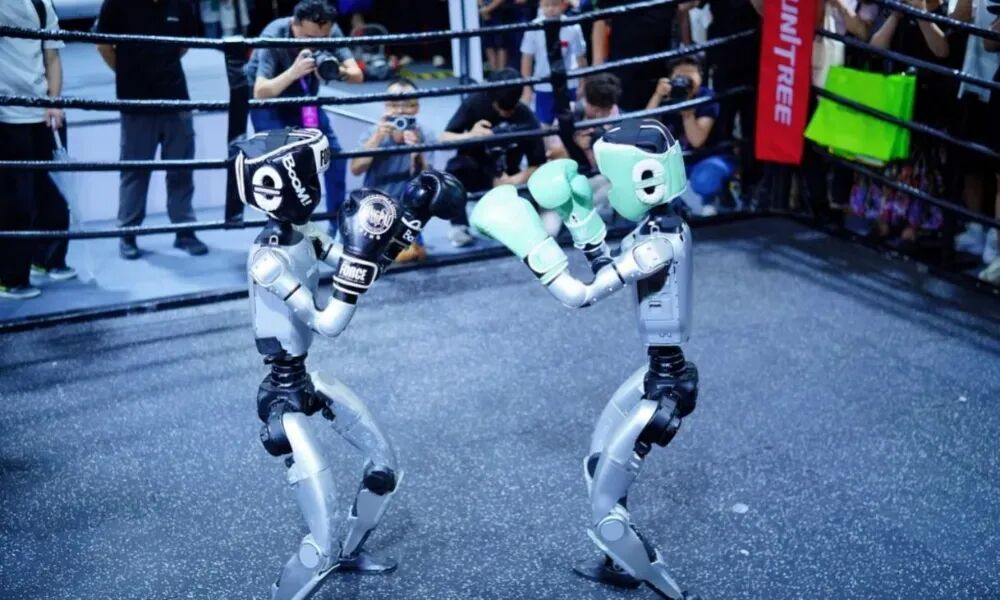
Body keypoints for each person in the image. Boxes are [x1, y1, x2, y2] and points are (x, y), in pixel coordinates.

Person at [95, 0, 209, 260]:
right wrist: (128, 71)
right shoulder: (116, 3)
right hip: (136, 102)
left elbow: (184, 44)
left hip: (176, 97)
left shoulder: (181, 4)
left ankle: (185, 232)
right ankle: (128, 233)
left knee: (181, 168)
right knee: (135, 170)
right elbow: (103, 45)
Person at [246, 0, 364, 228]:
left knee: (334, 156)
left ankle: (336, 222)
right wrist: (294, 72)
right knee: (278, 165)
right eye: (309, 38)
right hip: (269, 102)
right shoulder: (274, 34)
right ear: (295, 24)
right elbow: (261, 91)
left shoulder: (331, 30)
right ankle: (281, 225)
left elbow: (356, 75)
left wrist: (334, 70)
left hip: (306, 100)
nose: (315, 44)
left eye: (322, 39)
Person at [0, 0, 75, 299]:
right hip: (7, 115)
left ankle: (47, 260)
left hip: (42, 113)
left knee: (52, 194)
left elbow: (52, 56)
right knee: (14, 201)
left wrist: (54, 101)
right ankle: (10, 277)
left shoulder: (41, 4)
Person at [440, 68, 546, 246]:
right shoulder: (475, 103)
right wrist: (471, 135)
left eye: (511, 107)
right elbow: (444, 138)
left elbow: (538, 163)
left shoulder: (525, 116)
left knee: (538, 222)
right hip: (478, 170)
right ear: (491, 98)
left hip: (510, 176)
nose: (506, 112)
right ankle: (459, 225)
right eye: (502, 107)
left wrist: (514, 180)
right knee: (454, 169)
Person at [349, 78, 435, 262]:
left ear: (416, 107)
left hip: (408, 209)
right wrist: (377, 139)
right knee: (365, 257)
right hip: (376, 207)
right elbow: (355, 169)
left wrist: (418, 152)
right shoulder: (373, 132)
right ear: (386, 106)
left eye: (408, 104)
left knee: (416, 255)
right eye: (394, 104)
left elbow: (429, 180)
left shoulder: (425, 134)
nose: (400, 111)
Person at [950, 0, 1000, 266]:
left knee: (996, 170)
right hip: (972, 77)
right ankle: (976, 228)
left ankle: (994, 237)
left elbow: (991, 42)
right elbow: (958, 19)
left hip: (995, 82)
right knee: (970, 160)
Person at [590, 0, 676, 111]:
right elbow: (601, 19)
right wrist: (597, 66)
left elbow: (682, 10)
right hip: (625, 67)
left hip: (661, 65)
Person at [519, 0, 588, 125]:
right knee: (544, 124)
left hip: (569, 84)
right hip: (543, 84)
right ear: (541, 5)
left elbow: (580, 56)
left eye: (554, 4)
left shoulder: (573, 26)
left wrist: (583, 83)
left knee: (571, 122)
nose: (551, 9)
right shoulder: (533, 27)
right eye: (547, 5)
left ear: (562, 5)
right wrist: (526, 87)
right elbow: (526, 58)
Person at [479, 0, 510, 72]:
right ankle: (494, 73)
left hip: (500, 14)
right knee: (488, 45)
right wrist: (483, 8)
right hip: (484, 16)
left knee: (501, 44)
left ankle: (501, 73)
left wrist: (487, 9)